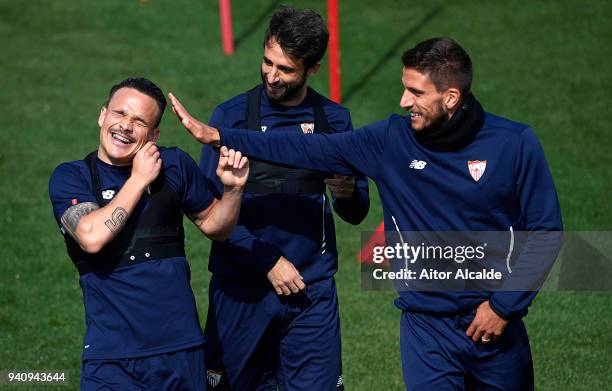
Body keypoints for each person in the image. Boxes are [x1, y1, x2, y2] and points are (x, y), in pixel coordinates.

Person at [170, 37, 564, 390]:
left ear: (451, 97)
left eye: (415, 92)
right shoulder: (390, 140)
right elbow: (304, 150)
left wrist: (503, 307)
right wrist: (220, 135)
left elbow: (546, 232)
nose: (403, 101)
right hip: (426, 329)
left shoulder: (514, 144)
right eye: (403, 88)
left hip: (495, 327)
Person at [177, 6, 369, 390]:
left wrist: (348, 194)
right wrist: (268, 260)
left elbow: (357, 210)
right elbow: (208, 214)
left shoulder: (335, 121)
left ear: (312, 69)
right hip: (241, 291)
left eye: (285, 69)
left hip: (311, 294)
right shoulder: (228, 118)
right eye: (267, 62)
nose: (271, 75)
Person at [49, 77, 249, 390]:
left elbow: (216, 226)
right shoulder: (71, 176)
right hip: (111, 359)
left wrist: (234, 190)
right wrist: (139, 179)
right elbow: (91, 237)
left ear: (153, 135)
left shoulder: (174, 166)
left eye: (139, 121)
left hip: (181, 353)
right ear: (103, 115)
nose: (125, 126)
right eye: (119, 114)